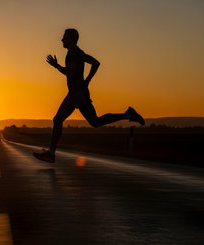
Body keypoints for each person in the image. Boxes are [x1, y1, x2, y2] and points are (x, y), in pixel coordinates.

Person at [33, 28, 145, 163]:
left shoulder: (73, 53)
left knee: (58, 119)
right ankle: (128, 115)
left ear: (72, 39)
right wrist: (87, 80)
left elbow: (70, 73)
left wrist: (56, 66)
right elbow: (96, 63)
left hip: (75, 94)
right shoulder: (79, 53)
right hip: (81, 93)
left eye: (64, 37)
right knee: (95, 121)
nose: (62, 40)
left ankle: (51, 153)